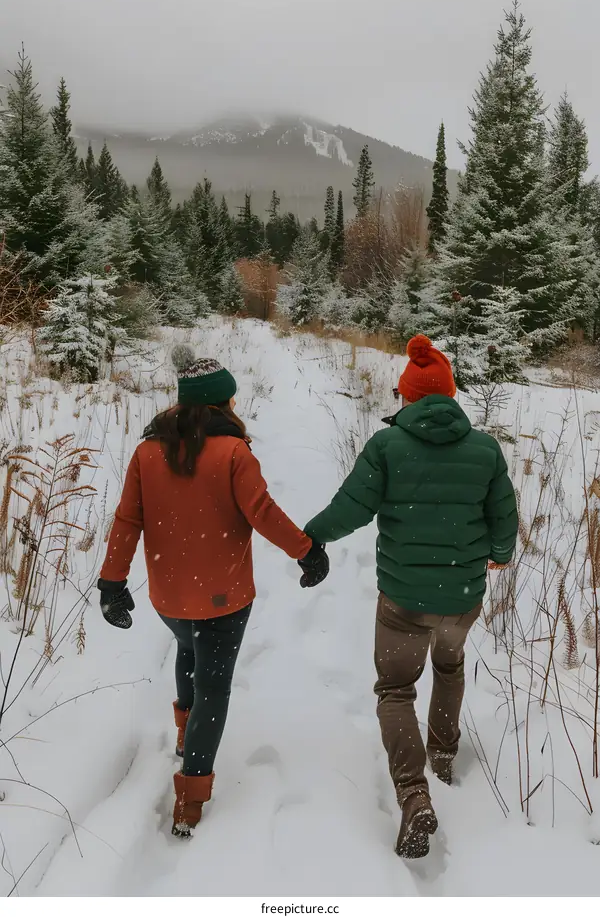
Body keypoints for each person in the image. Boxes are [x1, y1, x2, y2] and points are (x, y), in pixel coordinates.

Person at [97, 347, 328, 837]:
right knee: (214, 688)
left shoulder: (147, 452)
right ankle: (192, 796)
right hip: (224, 600)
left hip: (169, 596)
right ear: (223, 404)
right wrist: (306, 552)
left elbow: (127, 519)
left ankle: (184, 735)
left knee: (187, 649)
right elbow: (262, 512)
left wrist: (112, 582)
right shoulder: (234, 453)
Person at [305, 334, 517, 860]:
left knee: (396, 689)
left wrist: (309, 536)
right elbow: (503, 518)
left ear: (407, 397)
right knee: (449, 667)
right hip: (462, 597)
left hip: (403, 601)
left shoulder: (388, 446)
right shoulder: (485, 449)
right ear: (450, 397)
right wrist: (499, 553)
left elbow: (350, 506)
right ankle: (442, 757)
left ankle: (414, 794)